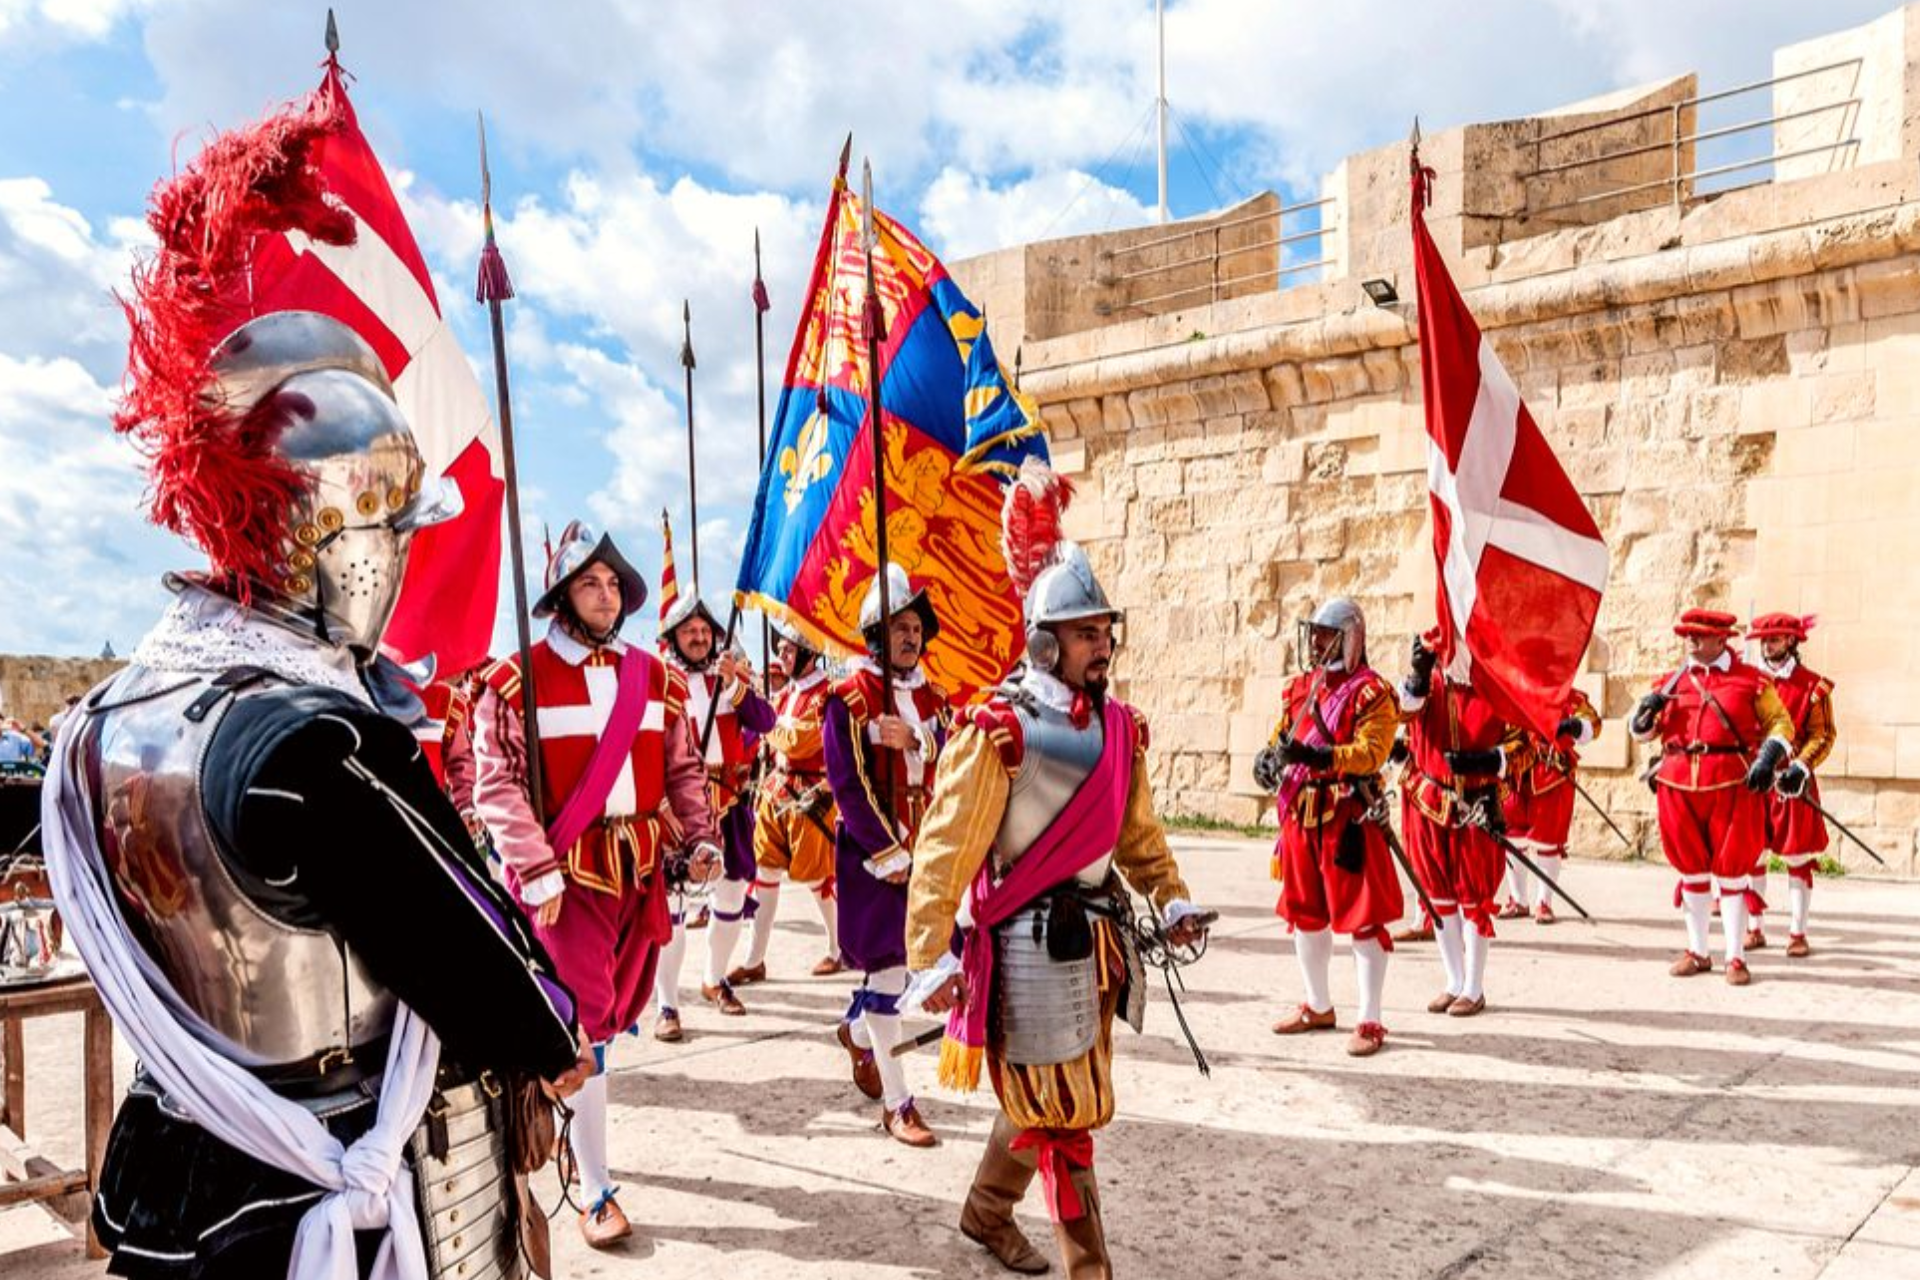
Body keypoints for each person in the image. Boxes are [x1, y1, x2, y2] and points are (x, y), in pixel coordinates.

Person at [42, 96, 591, 1280]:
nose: (405, 554)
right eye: (396, 528)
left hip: (178, 1153)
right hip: (317, 1174)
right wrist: (553, 1030)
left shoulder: (106, 719)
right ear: (339, 537)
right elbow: (466, 945)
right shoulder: (309, 739)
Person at [904, 464, 1208, 1277]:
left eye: (1106, 631)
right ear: (1046, 640)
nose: (1102, 644)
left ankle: (984, 1211)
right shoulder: (999, 728)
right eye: (1085, 632)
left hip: (1099, 943)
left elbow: (1136, 835)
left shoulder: (1120, 729)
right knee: (1063, 1112)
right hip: (1030, 948)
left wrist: (1172, 900)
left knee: (1044, 1094)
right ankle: (1090, 1269)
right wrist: (929, 954)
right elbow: (944, 850)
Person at [473, 519, 724, 1247]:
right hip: (562, 880)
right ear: (561, 593)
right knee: (580, 1034)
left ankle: (561, 1132)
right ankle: (594, 1187)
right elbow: (497, 782)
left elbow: (680, 770)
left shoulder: (655, 676)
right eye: (590, 581)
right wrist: (534, 863)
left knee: (609, 1018)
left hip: (637, 878)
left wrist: (701, 838)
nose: (606, 593)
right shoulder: (515, 679)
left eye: (614, 582)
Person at [824, 563, 951, 1148]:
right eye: (898, 627)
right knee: (889, 970)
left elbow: (953, 759)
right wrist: (886, 848)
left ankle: (856, 1032)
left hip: (931, 847)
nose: (910, 637)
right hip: (875, 855)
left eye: (915, 627)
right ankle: (899, 1103)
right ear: (875, 634)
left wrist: (916, 738)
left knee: (921, 965)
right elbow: (847, 783)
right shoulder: (849, 699)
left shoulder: (933, 697)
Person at [1253, 597, 1402, 1057]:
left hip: (1347, 815)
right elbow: (1284, 736)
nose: (1315, 643)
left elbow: (1372, 752)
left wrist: (1320, 758)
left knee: (1362, 918)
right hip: (1301, 813)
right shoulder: (1300, 689)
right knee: (1305, 913)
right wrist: (1267, 760)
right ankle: (1318, 1005)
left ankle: (1370, 1018)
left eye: (1325, 634)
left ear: (1349, 639)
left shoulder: (1371, 692)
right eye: (1313, 634)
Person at [1630, 608, 1799, 986]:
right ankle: (1698, 951)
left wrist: (1769, 756)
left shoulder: (1752, 681)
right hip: (1677, 785)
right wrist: (1641, 719)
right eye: (1687, 634)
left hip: (1731, 785)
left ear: (1722, 640)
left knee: (1733, 872)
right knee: (1691, 871)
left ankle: (1735, 957)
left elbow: (1781, 723)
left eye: (1698, 634)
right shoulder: (1668, 682)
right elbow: (1643, 732)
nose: (1690, 640)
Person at [650, 584, 777, 1032]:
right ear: (674, 637)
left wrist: (737, 690)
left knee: (733, 894)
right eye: (691, 630)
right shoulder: (660, 680)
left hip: (729, 802)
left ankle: (713, 978)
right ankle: (667, 1004)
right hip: (679, 811)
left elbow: (766, 722)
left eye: (706, 629)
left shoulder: (731, 681)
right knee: (674, 909)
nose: (700, 637)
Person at [1398, 628, 1528, 1017]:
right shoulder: (1427, 686)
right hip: (1430, 800)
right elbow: (1402, 710)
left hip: (1478, 801)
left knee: (1474, 897)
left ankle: (1474, 986)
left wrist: (1492, 761)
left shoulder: (1499, 687)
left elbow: (1523, 743)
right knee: (1439, 896)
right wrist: (1418, 675)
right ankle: (1453, 980)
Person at [733, 621, 842, 984]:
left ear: (810, 655)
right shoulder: (784, 696)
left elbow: (799, 742)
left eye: (789, 650)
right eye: (780, 649)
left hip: (812, 796)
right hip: (775, 790)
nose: (781, 654)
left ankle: (837, 947)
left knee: (816, 876)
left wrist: (767, 723)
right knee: (764, 873)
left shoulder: (829, 694)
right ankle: (754, 959)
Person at [1746, 613, 1835, 957]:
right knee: (1752, 854)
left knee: (1797, 857)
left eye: (1776, 639)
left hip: (1792, 782)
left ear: (1791, 642)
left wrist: (1800, 767)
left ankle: (1798, 933)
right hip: (1756, 779)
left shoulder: (1813, 687)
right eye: (1765, 640)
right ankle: (1755, 928)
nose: (1769, 645)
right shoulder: (1751, 682)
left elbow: (1823, 735)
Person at [1498, 688, 1602, 924]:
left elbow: (1592, 725)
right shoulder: (1507, 691)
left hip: (1551, 775)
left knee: (1548, 839)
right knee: (1512, 837)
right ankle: (1518, 899)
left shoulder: (1569, 696)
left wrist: (1575, 726)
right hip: (1512, 773)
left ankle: (1543, 902)